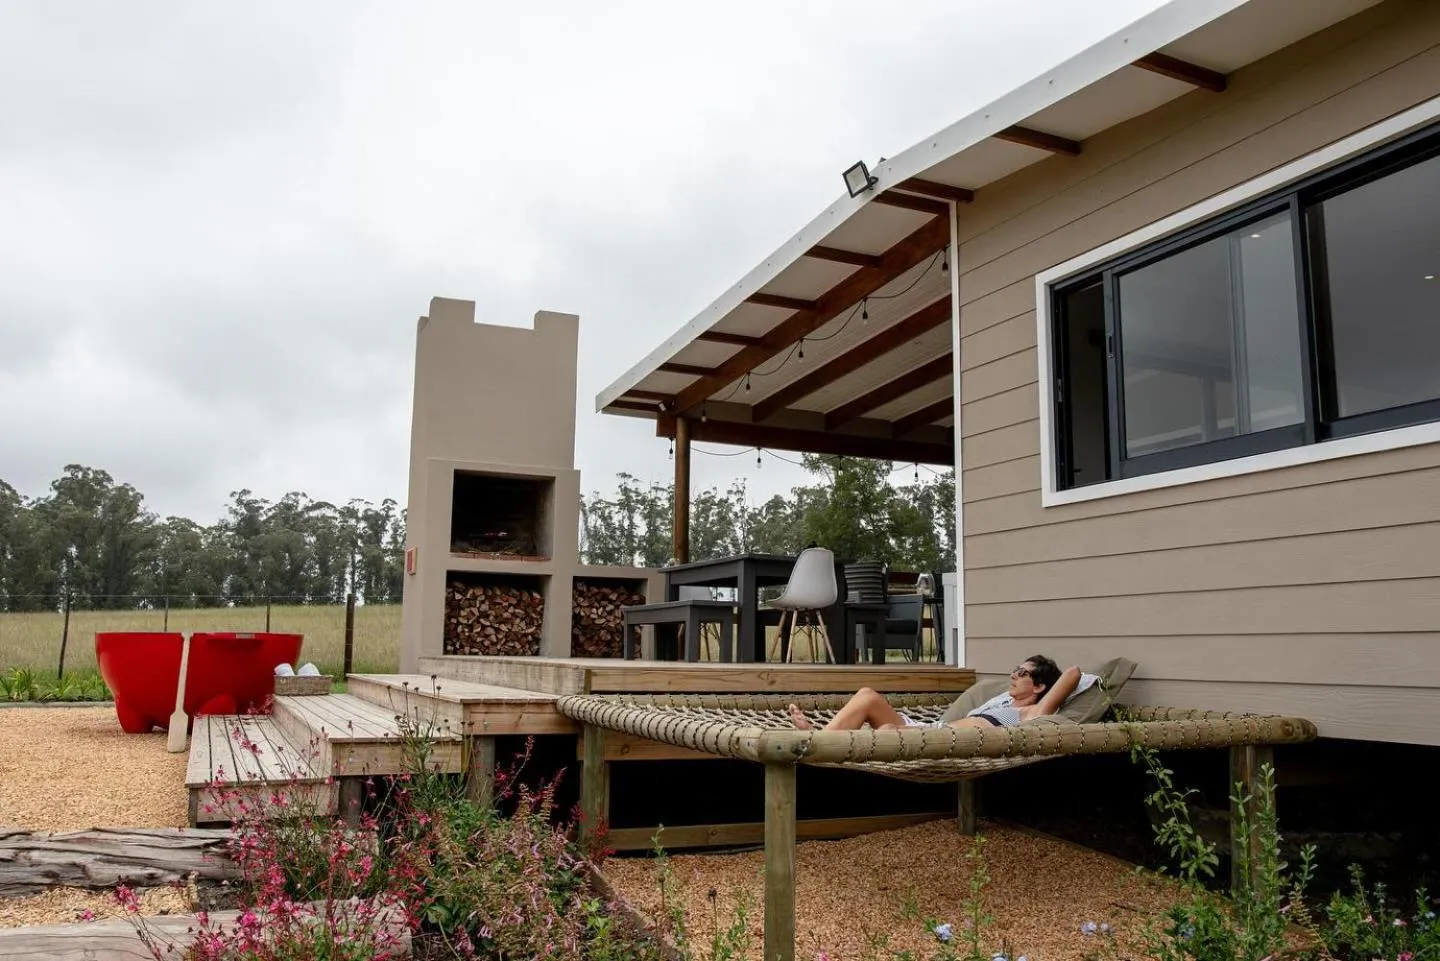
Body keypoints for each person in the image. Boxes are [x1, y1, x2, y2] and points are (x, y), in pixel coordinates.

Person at [786, 655, 1084, 731]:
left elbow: (1074, 674)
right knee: (867, 695)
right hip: (933, 729)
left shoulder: (1033, 713)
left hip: (941, 742)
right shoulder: (1003, 701)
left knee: (888, 730)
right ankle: (819, 737)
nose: (1014, 675)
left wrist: (1046, 697)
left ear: (1041, 686)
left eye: (1023, 673)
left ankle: (816, 742)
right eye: (1015, 670)